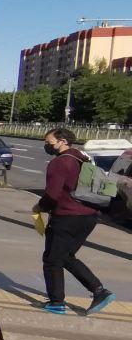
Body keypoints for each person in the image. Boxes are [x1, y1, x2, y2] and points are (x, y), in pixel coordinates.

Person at [34, 128, 115, 315]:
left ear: (62, 141)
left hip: (66, 217)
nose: (47, 145)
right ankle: (98, 291)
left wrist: (39, 207)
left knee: (52, 260)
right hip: (89, 217)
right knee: (65, 256)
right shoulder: (82, 159)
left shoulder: (59, 163)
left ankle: (57, 303)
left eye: (49, 142)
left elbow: (52, 195)